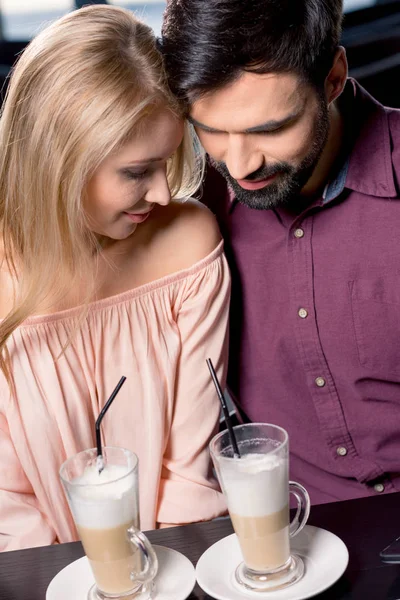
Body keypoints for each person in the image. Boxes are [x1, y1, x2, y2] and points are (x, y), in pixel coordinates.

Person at [0, 5, 230, 552]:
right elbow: (9, 512)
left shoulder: (189, 245)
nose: (159, 193)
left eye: (166, 162)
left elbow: (191, 474)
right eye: (135, 172)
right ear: (60, 161)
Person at [161, 0, 400, 505]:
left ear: (333, 78)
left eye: (269, 129)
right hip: (285, 536)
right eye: (212, 130)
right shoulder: (185, 207)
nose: (241, 165)